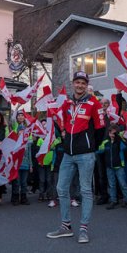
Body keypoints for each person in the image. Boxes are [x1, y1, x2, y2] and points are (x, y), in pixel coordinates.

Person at [46, 70, 105, 244]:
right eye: (77, 82)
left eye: (83, 83)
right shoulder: (67, 104)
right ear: (73, 83)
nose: (80, 85)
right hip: (68, 154)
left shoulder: (94, 103)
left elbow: (101, 129)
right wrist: (64, 137)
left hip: (86, 154)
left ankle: (84, 229)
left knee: (85, 191)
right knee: (61, 189)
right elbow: (62, 123)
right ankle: (66, 227)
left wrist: (90, 145)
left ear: (87, 86)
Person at [100, 124, 127, 210]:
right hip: (109, 167)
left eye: (114, 133)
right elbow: (100, 150)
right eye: (110, 133)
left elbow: (126, 147)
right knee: (112, 185)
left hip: (119, 166)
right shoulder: (106, 142)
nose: (112, 135)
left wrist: (119, 138)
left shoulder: (120, 141)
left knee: (123, 184)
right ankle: (113, 201)